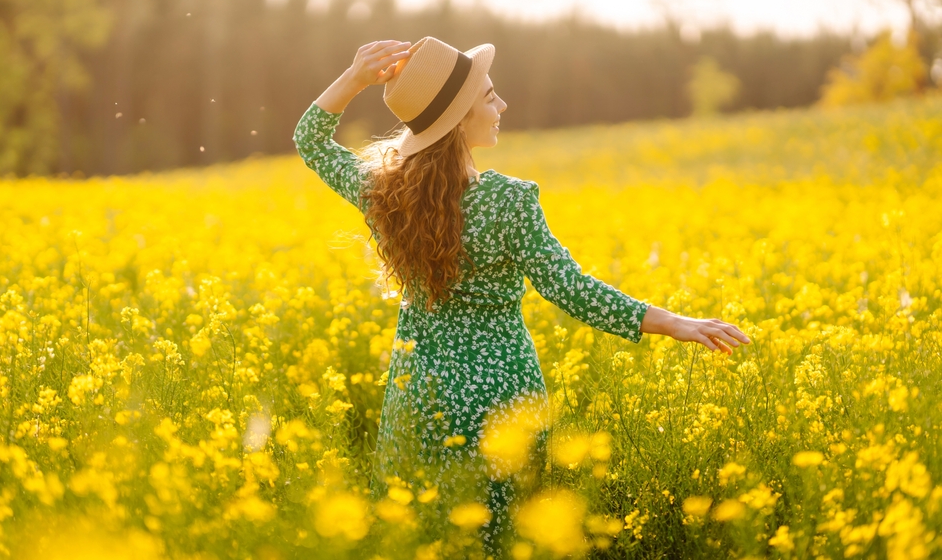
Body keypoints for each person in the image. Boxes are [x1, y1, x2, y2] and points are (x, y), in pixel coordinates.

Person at [293, 37, 751, 553]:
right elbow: (571, 288)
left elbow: (310, 139)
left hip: (419, 394)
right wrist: (675, 323)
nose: (502, 105)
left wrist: (355, 78)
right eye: (489, 97)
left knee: (423, 532)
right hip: (500, 399)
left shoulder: (382, 191)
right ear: (460, 120)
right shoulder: (510, 201)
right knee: (504, 535)